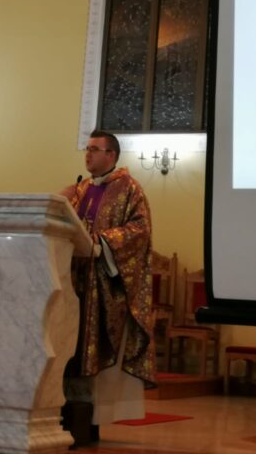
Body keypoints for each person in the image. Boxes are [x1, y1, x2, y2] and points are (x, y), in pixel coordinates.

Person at [61, 129, 155, 434]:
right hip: (72, 282)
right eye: (86, 149)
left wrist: (102, 241)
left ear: (111, 155)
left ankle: (88, 421)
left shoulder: (130, 189)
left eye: (94, 149)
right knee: (68, 347)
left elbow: (140, 230)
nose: (88, 155)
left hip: (103, 287)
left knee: (94, 349)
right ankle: (65, 411)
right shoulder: (79, 189)